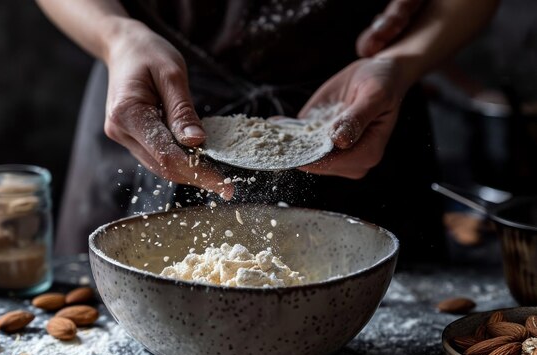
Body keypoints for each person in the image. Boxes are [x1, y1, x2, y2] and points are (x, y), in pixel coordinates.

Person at [36, 0, 499, 264]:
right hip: (150, 96)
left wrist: (404, 60)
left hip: (360, 104)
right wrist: (115, 34)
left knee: (382, 327)